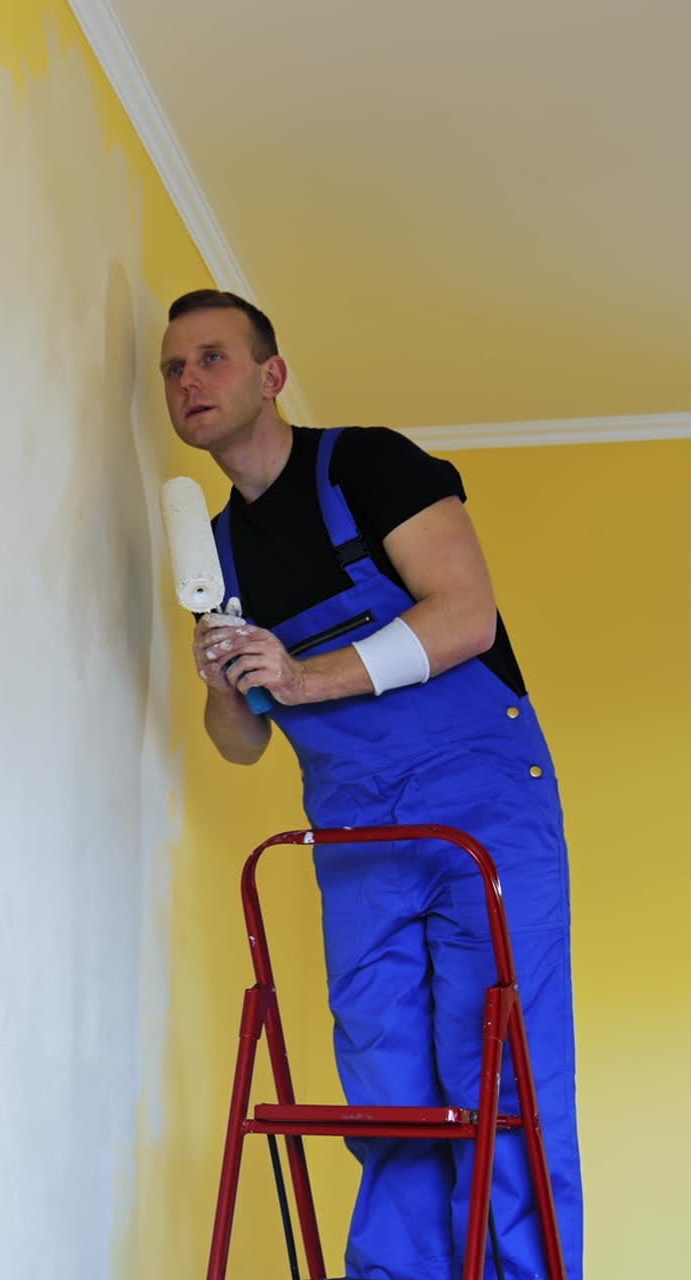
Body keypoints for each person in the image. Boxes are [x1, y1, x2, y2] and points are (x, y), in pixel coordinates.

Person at [160, 289, 583, 1279]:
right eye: (173, 368)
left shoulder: (366, 464)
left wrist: (305, 674)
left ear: (271, 374)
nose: (190, 381)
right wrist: (225, 681)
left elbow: (465, 614)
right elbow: (239, 743)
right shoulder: (215, 554)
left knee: (503, 1078)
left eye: (212, 356)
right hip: (354, 837)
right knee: (383, 1090)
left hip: (479, 805)